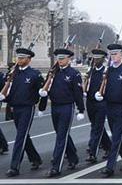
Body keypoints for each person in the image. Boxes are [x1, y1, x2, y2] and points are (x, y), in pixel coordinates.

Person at [39, 48, 86, 177]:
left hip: (67, 107)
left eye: (62, 58)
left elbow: (78, 94)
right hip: (55, 106)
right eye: (58, 59)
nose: (60, 61)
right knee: (61, 134)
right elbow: (45, 90)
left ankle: (56, 166)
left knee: (61, 136)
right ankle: (73, 157)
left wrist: (80, 109)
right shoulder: (53, 73)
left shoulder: (73, 74)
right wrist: (42, 107)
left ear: (68, 59)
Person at [1, 48, 44, 176]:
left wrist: (39, 106)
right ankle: (35, 158)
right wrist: (5, 97)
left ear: (29, 59)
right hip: (15, 108)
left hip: (27, 108)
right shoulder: (13, 73)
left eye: (22, 58)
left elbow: (41, 93)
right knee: (24, 135)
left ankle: (14, 166)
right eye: (18, 58)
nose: (19, 60)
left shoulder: (34, 74)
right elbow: (10, 90)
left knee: (20, 136)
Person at [98, 43, 122, 177]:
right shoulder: (108, 71)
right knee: (117, 136)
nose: (113, 56)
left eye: (116, 54)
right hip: (109, 106)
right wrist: (100, 94)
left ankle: (110, 167)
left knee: (116, 137)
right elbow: (103, 86)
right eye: (111, 54)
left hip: (121, 107)